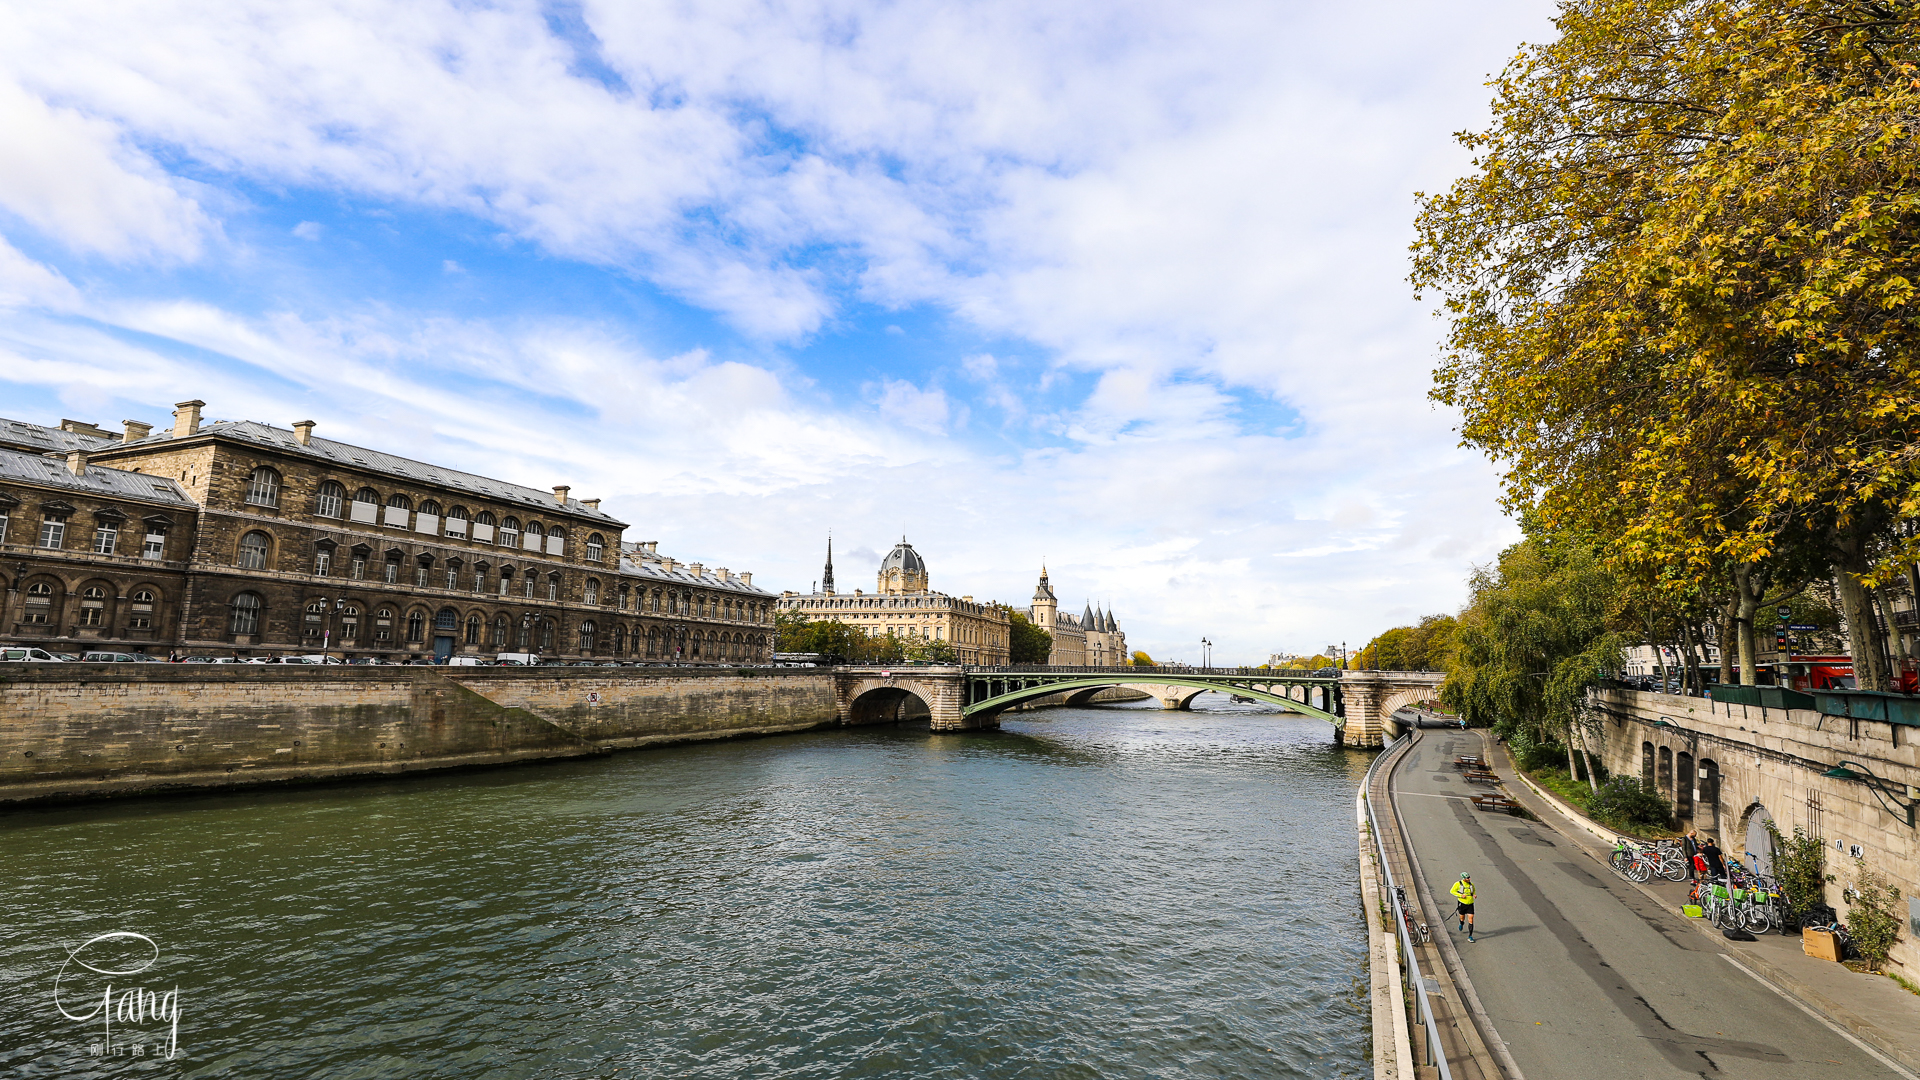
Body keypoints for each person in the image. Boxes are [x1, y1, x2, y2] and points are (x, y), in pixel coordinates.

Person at [1450, 873, 1476, 942]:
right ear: (1464, 879)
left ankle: (1470, 936)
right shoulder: (1458, 884)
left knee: (1471, 919)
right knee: (1462, 917)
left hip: (1470, 904)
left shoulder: (1471, 884)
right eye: (1467, 878)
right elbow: (1452, 891)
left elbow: (1473, 891)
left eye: (1469, 877)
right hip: (1462, 904)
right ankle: (1461, 923)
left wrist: (1474, 895)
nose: (1469, 879)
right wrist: (1461, 895)